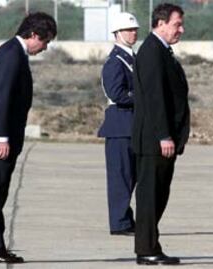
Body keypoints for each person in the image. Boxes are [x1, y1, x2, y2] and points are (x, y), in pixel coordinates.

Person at [0, 12, 57, 264]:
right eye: (45, 41)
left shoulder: (13, 52)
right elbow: (1, 98)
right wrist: (1, 137)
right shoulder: (11, 55)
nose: (45, 47)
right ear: (33, 35)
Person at [131, 3, 190, 265]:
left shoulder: (161, 51)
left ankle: (150, 245)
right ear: (161, 23)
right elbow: (155, 98)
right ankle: (146, 249)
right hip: (154, 140)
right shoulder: (152, 51)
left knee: (158, 195)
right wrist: (163, 135)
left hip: (161, 139)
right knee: (150, 196)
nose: (181, 29)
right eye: (177, 24)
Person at [98, 12, 139, 236]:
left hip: (131, 125)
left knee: (131, 177)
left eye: (134, 30)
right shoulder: (115, 61)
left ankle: (125, 218)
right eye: (128, 30)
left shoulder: (132, 58)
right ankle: (119, 222)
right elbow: (117, 93)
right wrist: (142, 96)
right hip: (120, 124)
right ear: (117, 33)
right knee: (120, 177)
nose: (133, 34)